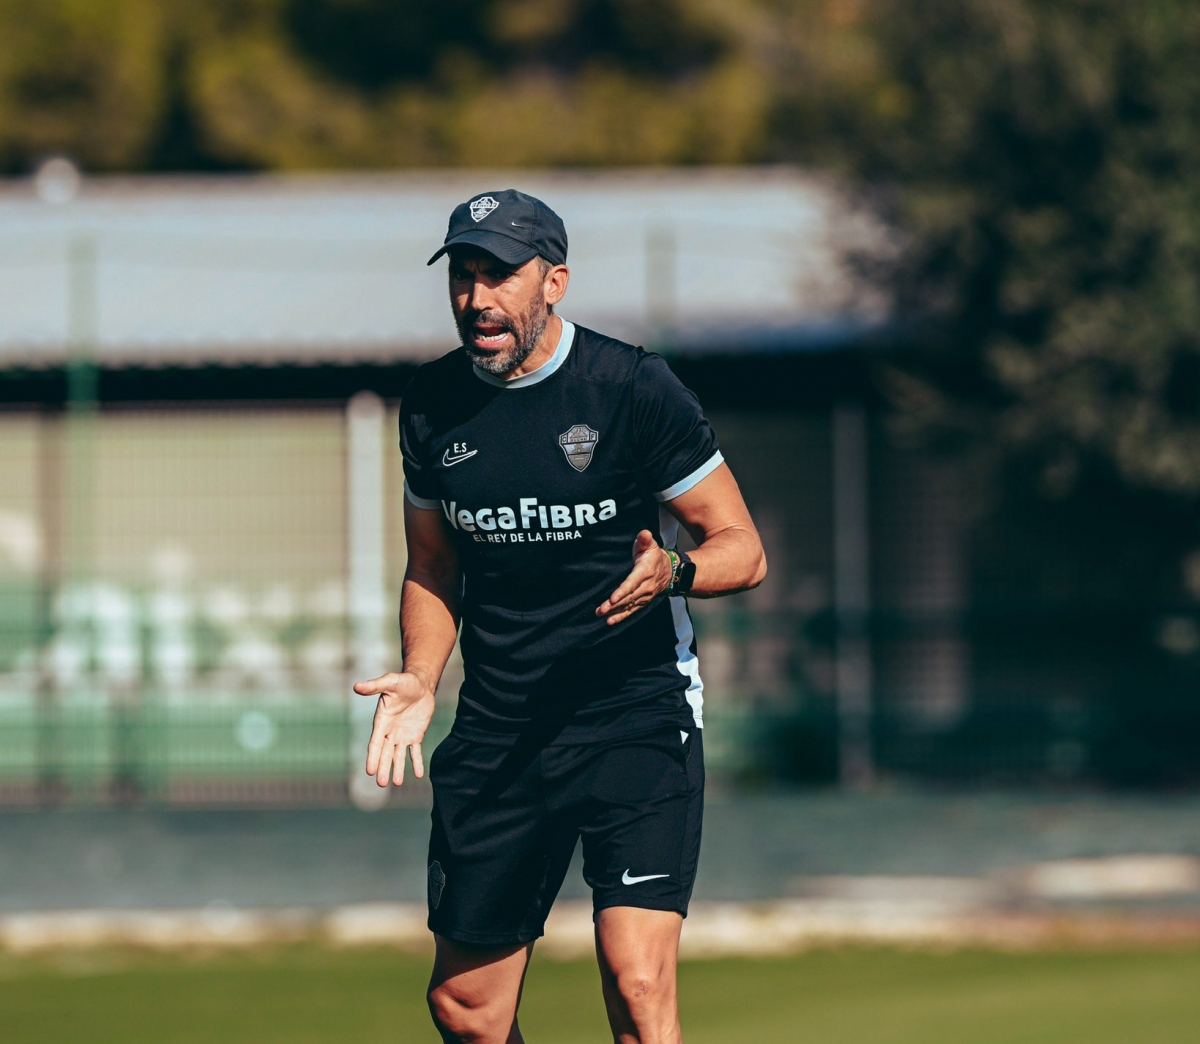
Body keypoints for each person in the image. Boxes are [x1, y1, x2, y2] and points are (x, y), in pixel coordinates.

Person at [354, 189, 766, 1044]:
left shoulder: (633, 388)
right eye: (463, 275)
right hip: (501, 726)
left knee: (638, 985)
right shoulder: (431, 405)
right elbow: (433, 566)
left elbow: (743, 547)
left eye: (500, 274)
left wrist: (676, 572)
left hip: (633, 713)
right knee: (467, 1012)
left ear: (555, 283)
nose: (477, 298)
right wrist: (423, 676)